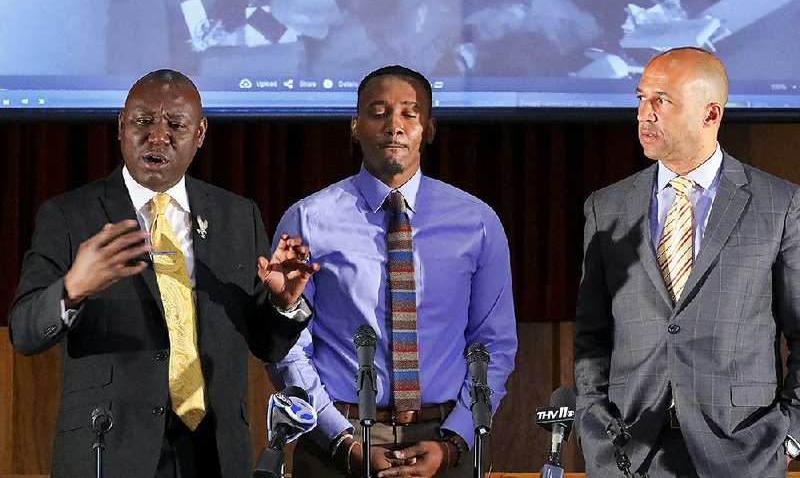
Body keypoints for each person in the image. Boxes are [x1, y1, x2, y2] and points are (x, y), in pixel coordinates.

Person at [9, 69, 318, 478]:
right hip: (110, 447)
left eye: (175, 124)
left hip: (215, 452)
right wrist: (72, 289)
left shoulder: (237, 216)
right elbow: (24, 332)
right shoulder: (69, 215)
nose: (158, 136)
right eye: (143, 122)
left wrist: (283, 303)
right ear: (121, 125)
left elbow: (267, 346)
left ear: (200, 133)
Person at [266, 65, 517, 477]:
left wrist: (454, 442)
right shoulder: (309, 219)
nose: (394, 126)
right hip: (336, 442)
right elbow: (289, 348)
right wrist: (341, 441)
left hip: (445, 441)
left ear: (428, 129)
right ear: (355, 126)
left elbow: (494, 345)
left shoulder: (477, 222)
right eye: (379, 112)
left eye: (409, 113)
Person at [574, 47, 800, 478]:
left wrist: (789, 437)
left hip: (743, 453)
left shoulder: (780, 204)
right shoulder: (607, 206)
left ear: (710, 114)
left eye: (662, 101)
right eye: (641, 98)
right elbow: (591, 337)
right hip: (629, 454)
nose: (644, 114)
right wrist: (595, 428)